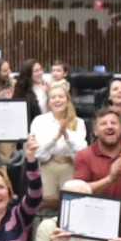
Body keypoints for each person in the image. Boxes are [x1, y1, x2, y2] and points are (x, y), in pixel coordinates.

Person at [73, 109, 121, 238]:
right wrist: (110, 179)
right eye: (104, 124)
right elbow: (79, 195)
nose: (109, 126)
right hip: (93, 232)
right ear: (95, 131)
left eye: (113, 123)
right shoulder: (83, 156)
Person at [28, 80, 86, 209]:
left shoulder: (78, 122)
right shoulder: (40, 121)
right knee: (44, 207)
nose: (57, 100)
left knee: (71, 206)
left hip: (70, 166)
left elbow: (82, 152)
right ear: (49, 102)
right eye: (53, 97)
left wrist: (66, 134)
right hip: (47, 165)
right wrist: (55, 138)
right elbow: (38, 153)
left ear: (67, 100)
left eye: (61, 97)